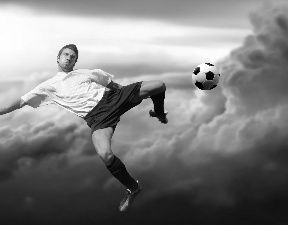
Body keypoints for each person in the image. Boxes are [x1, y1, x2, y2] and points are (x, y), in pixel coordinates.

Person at [0, 44, 168, 212]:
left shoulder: (86, 73)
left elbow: (114, 86)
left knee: (159, 85)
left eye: (72, 57)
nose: (68, 58)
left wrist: (127, 94)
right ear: (58, 58)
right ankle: (133, 188)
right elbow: (21, 102)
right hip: (97, 117)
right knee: (105, 154)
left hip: (113, 98)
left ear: (75, 62)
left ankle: (158, 113)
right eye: (65, 55)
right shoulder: (47, 86)